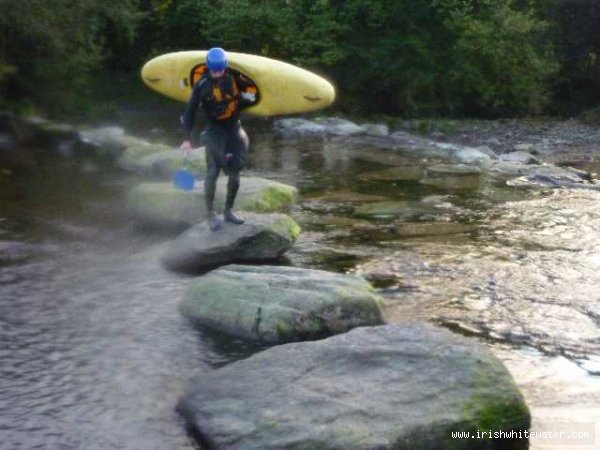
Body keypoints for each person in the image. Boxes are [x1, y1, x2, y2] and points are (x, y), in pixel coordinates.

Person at [180, 47, 257, 231]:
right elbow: (189, 112)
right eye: (214, 70)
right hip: (213, 130)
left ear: (225, 67)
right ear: (209, 68)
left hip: (233, 127)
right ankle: (210, 215)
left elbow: (254, 92)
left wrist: (249, 97)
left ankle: (228, 211)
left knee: (235, 175)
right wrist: (186, 139)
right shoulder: (201, 85)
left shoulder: (235, 78)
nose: (217, 74)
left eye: (220, 70)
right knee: (213, 172)